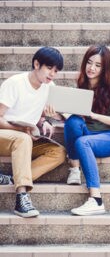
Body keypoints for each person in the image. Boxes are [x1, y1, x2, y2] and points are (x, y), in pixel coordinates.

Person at [0, 46, 66, 218]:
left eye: (56, 71)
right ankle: (22, 197)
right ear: (37, 64)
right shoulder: (15, 83)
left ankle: (14, 178)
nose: (52, 74)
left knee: (58, 152)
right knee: (23, 139)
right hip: (6, 136)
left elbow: (37, 111)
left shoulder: (49, 86)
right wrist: (21, 130)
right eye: (49, 68)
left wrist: (46, 120)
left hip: (25, 138)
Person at [64, 45, 110, 216]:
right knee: (72, 122)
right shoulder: (81, 84)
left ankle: (96, 200)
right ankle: (75, 169)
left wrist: (94, 115)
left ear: (104, 68)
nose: (92, 68)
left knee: (82, 142)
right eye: (89, 63)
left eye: (98, 65)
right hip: (88, 133)